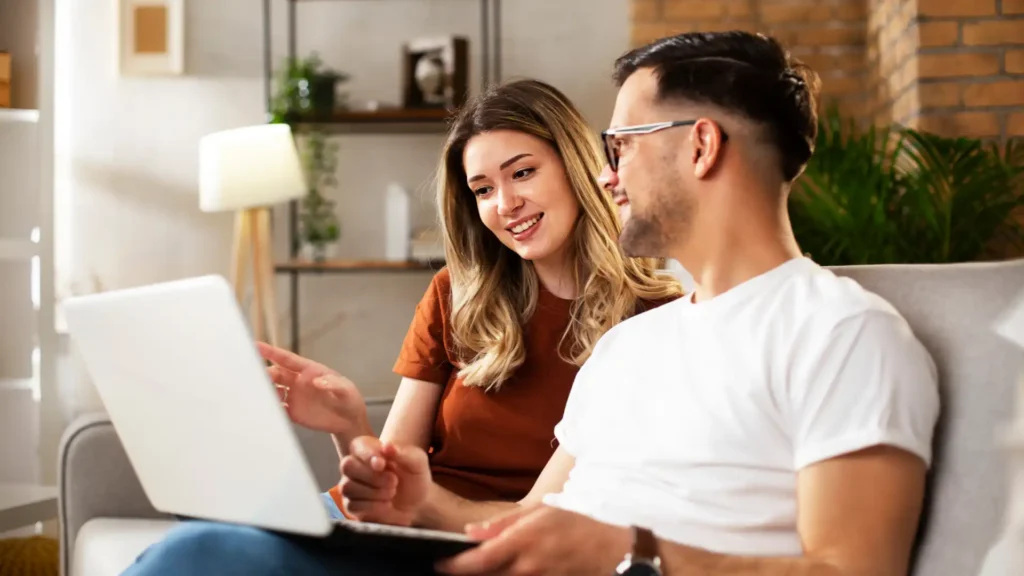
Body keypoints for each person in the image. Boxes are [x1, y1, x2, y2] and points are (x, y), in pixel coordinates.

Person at [128, 30, 941, 576]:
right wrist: (423, 501)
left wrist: (634, 553)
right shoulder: (636, 348)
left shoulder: (843, 332)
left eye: (620, 147)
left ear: (700, 145)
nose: (608, 174)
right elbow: (528, 517)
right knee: (198, 553)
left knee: (202, 559)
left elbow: (852, 570)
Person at [121, 79, 681, 574]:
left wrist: (419, 507)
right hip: (396, 531)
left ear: (577, 169)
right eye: (483, 189)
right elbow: (384, 487)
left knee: (198, 555)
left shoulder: (654, 323)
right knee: (196, 543)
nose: (505, 203)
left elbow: (534, 521)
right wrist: (350, 424)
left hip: (476, 545)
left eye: (523, 173)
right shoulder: (456, 297)